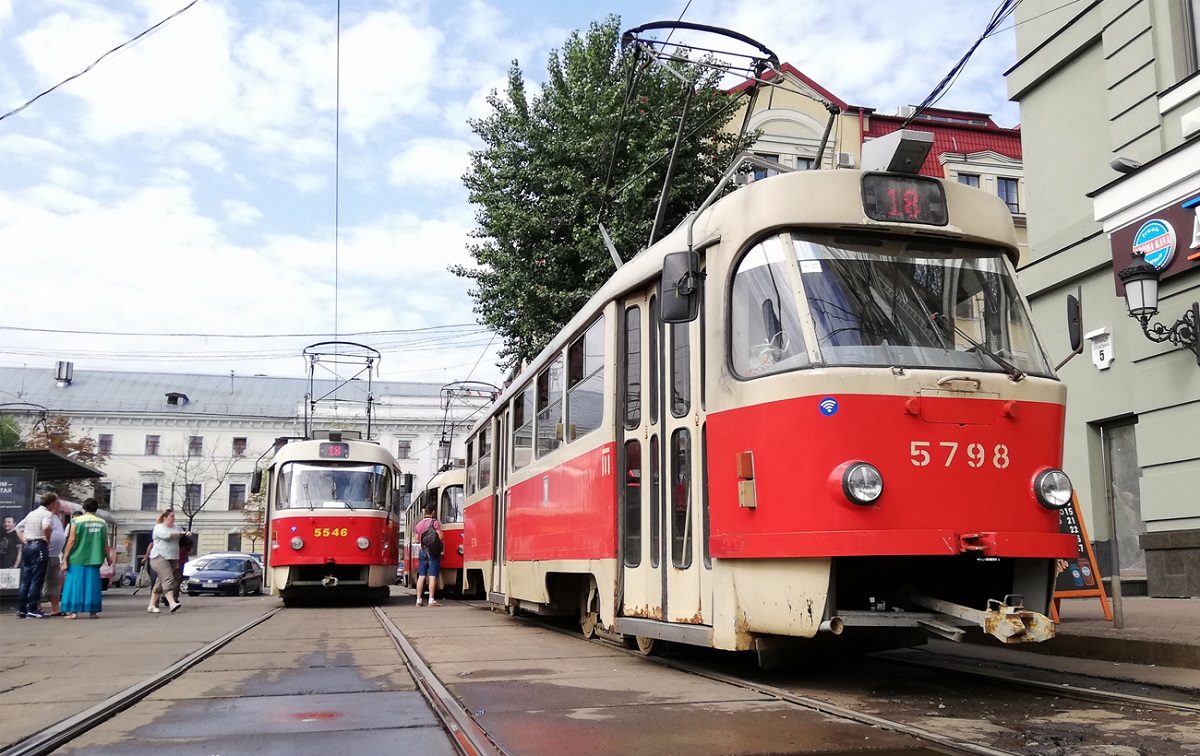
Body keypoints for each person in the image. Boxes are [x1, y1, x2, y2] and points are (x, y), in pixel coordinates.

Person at [60, 498, 111, 619]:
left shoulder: (76, 521)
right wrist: (108, 556)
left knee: (75, 584)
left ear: (84, 508)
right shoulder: (102, 523)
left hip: (77, 558)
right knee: (92, 585)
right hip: (95, 558)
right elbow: (105, 542)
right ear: (96, 509)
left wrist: (66, 556)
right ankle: (93, 612)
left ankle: (74, 612)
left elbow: (72, 540)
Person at [14, 492, 60, 619]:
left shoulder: (32, 514)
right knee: (36, 579)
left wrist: (25, 540)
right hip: (39, 546)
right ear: (52, 504)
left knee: (26, 579)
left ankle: (21, 609)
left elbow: (18, 528)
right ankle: (33, 609)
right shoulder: (47, 514)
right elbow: (46, 527)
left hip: (28, 546)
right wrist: (47, 539)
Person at [147, 510, 188, 614]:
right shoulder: (158, 527)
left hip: (173, 557)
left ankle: (151, 605)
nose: (174, 518)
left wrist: (187, 534)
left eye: (174, 516)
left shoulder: (177, 527)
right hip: (159, 557)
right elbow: (166, 535)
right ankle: (172, 603)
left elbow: (182, 538)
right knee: (168, 578)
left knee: (161, 581)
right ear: (165, 517)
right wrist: (179, 533)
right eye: (171, 516)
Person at [39, 502, 69, 616]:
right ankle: (37, 606)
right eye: (58, 505)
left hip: (54, 555)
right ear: (52, 505)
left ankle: (55, 608)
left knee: (54, 582)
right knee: (39, 581)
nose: (59, 508)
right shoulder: (45, 516)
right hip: (44, 554)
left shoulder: (56, 517)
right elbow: (45, 528)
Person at [413, 501, 442, 607]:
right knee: (433, 576)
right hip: (432, 551)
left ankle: (418, 600)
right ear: (433, 512)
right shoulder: (435, 523)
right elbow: (440, 537)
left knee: (421, 576)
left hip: (422, 550)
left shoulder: (418, 525)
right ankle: (431, 600)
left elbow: (416, 540)